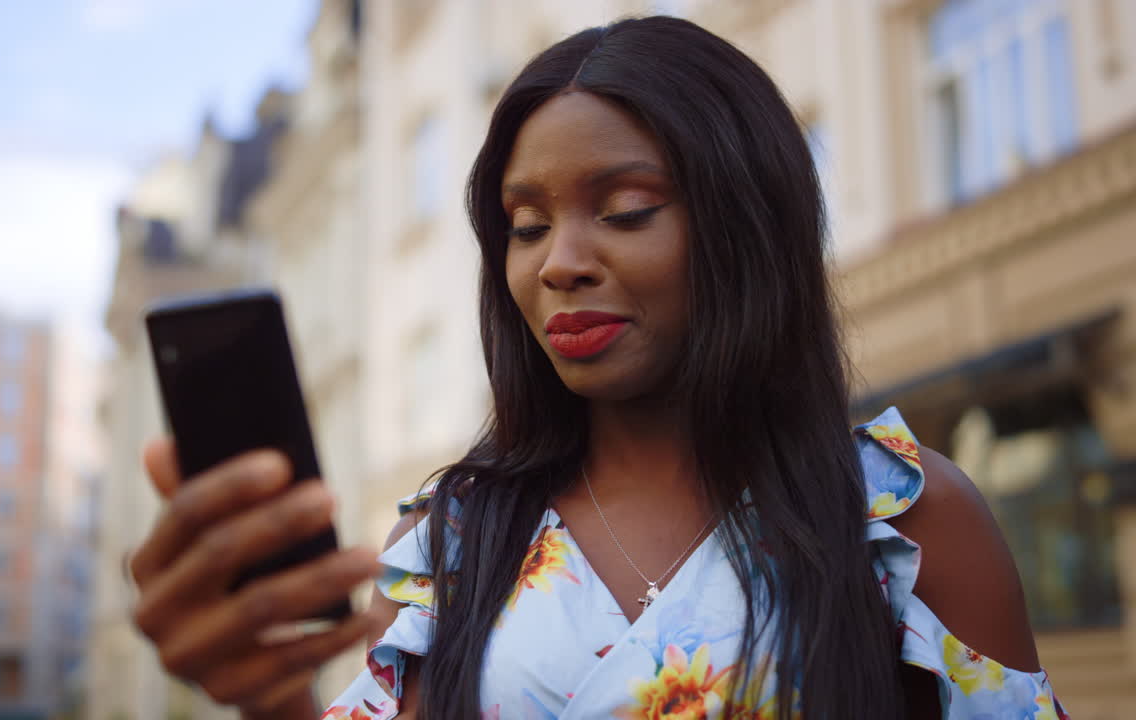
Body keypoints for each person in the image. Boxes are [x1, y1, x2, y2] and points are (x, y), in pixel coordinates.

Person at [127, 16, 1069, 720]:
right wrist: (273, 698)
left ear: (747, 223)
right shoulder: (449, 541)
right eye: (526, 226)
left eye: (623, 210)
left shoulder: (902, 521)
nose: (558, 263)